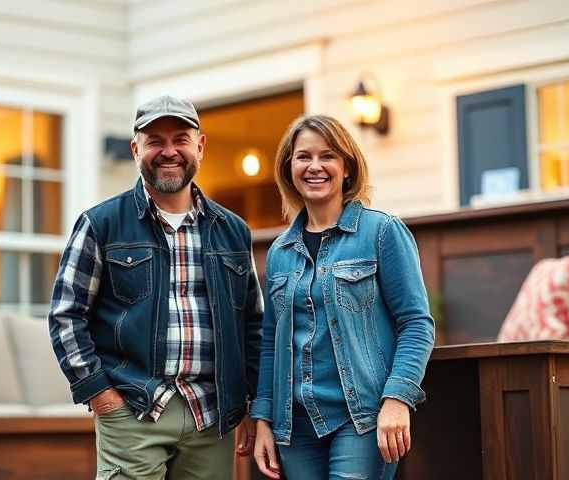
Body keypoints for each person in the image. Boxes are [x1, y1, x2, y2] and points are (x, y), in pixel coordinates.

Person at [48, 95, 263, 480]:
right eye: (155, 141)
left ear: (200, 146)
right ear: (135, 149)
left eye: (180, 139)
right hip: (133, 407)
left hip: (211, 417)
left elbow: (252, 324)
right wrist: (101, 394)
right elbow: (66, 315)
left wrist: (249, 401)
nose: (169, 152)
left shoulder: (233, 231)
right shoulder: (101, 224)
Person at [251, 115, 435, 479]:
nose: (315, 166)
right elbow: (271, 341)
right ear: (289, 168)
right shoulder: (279, 252)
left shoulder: (381, 232)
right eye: (303, 156)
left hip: (363, 419)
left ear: (346, 167)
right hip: (295, 428)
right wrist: (263, 418)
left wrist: (397, 399)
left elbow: (416, 324)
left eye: (328, 156)